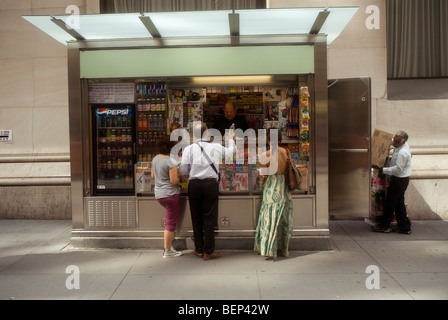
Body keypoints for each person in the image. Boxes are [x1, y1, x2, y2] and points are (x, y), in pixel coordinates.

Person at [179, 122, 236, 261]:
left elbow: (183, 170)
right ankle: (208, 251)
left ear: (194, 135)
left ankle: (199, 249)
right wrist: (230, 139)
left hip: (194, 185)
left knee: (196, 217)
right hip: (210, 184)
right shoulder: (215, 147)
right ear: (207, 134)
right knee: (209, 217)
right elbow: (231, 153)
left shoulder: (189, 149)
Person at [254, 129, 293, 259]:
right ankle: (284, 249)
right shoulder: (286, 152)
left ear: (268, 139)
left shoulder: (266, 154)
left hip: (272, 188)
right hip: (284, 189)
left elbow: (264, 174)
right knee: (283, 219)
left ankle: (272, 250)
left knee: (270, 219)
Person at [372, 130, 412, 234]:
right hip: (401, 179)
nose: (393, 142)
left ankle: (385, 226)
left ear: (403, 142)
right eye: (394, 139)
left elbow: (397, 169)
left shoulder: (403, 153)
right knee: (399, 203)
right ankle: (404, 227)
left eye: (396, 141)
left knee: (390, 203)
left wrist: (383, 170)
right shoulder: (402, 145)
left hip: (399, 180)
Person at [151, 135, 183, 258]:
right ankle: (167, 250)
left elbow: (153, 176)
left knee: (168, 220)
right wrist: (181, 178)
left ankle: (169, 246)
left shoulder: (155, 159)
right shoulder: (171, 161)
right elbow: (174, 180)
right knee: (170, 223)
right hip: (170, 194)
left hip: (159, 194)